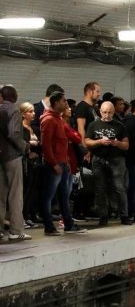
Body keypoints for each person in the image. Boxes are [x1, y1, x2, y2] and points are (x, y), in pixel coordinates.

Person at [40, 91, 87, 235]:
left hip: (63, 163)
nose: (66, 103)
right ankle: (49, 227)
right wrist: (53, 163)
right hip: (55, 164)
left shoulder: (59, 120)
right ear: (55, 103)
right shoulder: (49, 120)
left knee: (64, 196)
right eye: (63, 101)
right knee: (48, 196)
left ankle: (69, 224)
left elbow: (76, 137)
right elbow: (46, 145)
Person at [85, 101, 130, 225]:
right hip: (99, 159)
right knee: (100, 188)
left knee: (119, 187)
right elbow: (87, 141)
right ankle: (103, 216)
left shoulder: (120, 126)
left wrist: (117, 143)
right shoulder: (93, 125)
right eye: (104, 112)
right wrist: (99, 141)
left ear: (113, 112)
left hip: (116, 159)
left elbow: (126, 145)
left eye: (110, 112)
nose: (107, 115)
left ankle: (124, 215)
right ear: (100, 112)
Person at [0, 85, 31, 241]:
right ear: (14, 96)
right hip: (12, 157)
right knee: (15, 195)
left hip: (0, 157)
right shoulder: (13, 111)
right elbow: (14, 134)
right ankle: (16, 230)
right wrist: (24, 146)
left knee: (1, 195)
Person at [20, 102, 43, 227]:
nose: (33, 113)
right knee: (26, 190)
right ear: (23, 114)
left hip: (35, 163)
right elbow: (21, 145)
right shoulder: (21, 128)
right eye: (30, 111)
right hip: (27, 163)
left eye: (33, 111)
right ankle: (23, 216)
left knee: (33, 189)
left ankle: (30, 214)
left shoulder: (32, 128)